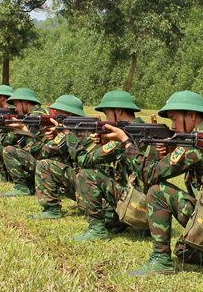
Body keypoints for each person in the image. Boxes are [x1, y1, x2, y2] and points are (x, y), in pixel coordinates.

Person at [103, 91, 203, 276]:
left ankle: (161, 260)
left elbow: (150, 174)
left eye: (174, 119)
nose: (172, 126)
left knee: (157, 191)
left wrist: (126, 142)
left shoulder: (198, 142)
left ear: (192, 116)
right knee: (185, 253)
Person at [60, 90, 160, 239]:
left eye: (107, 114)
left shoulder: (125, 136)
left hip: (137, 204)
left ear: (118, 111)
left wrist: (68, 135)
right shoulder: (144, 129)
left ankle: (97, 230)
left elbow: (84, 160)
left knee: (87, 174)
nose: (106, 119)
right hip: (151, 207)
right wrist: (105, 142)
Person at [29, 94, 90, 220]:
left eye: (58, 114)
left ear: (69, 115)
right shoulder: (82, 128)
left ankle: (52, 210)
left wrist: (32, 132)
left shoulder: (74, 133)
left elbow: (38, 152)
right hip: (89, 184)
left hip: (88, 186)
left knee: (44, 165)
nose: (54, 117)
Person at [0, 88, 48, 197]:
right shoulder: (41, 113)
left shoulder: (33, 118)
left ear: (25, 102)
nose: (15, 109)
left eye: (16, 104)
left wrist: (20, 127)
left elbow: (32, 147)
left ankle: (21, 187)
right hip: (46, 158)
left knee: (9, 151)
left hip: (44, 161)